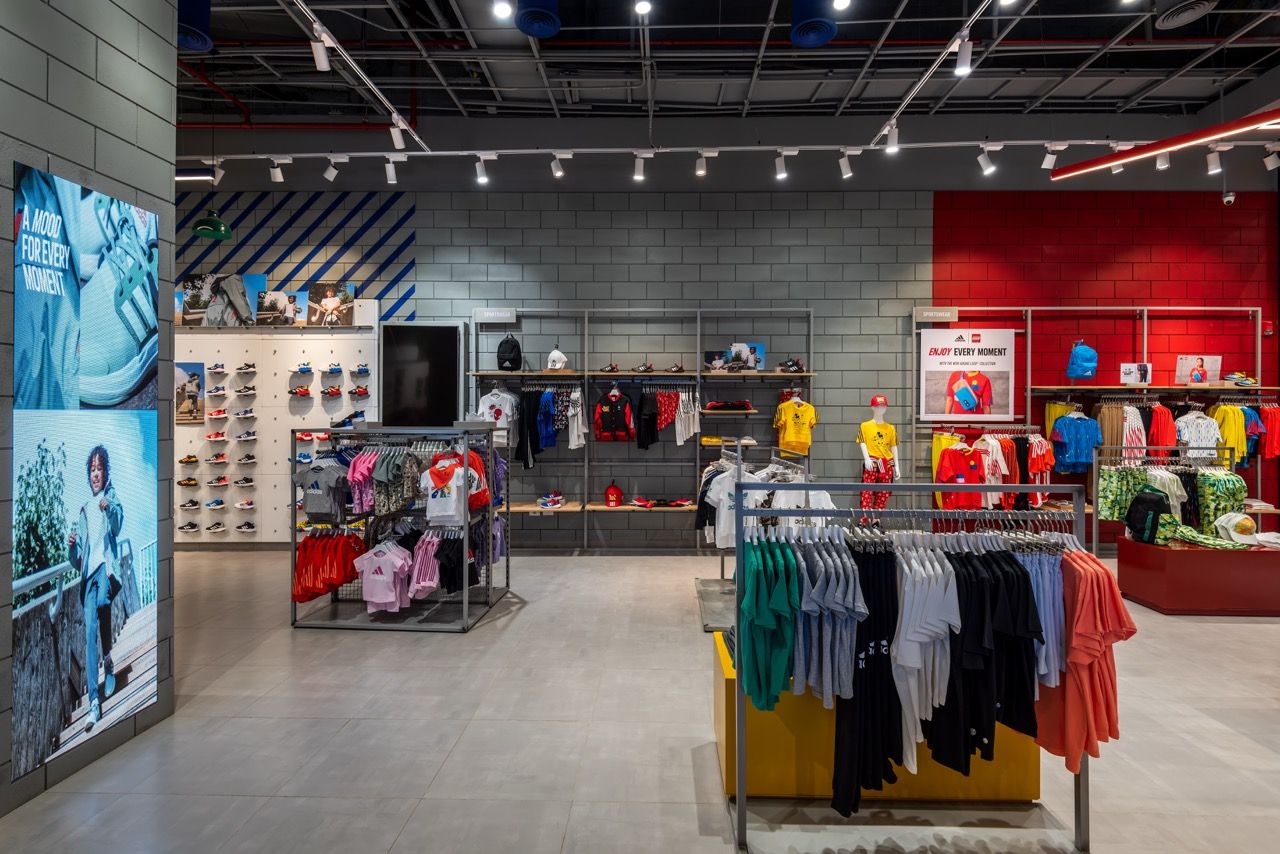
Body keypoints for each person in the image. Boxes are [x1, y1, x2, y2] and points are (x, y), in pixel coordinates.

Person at [67, 446, 124, 732]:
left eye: (100, 469)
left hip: (106, 568)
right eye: (92, 470)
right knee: (89, 635)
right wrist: (71, 549)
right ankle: (93, 703)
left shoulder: (110, 498)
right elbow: (77, 561)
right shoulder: (84, 510)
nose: (96, 474)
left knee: (104, 603)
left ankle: (108, 658)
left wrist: (108, 507)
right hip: (88, 575)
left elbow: (117, 526)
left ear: (106, 473)